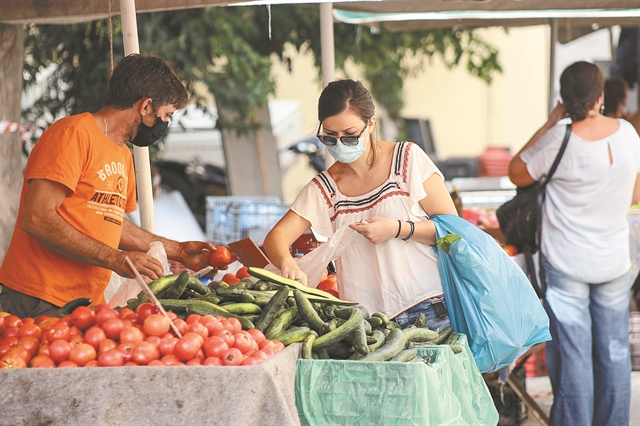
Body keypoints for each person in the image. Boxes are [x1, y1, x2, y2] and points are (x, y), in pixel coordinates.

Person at [0, 54, 217, 318]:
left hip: (87, 303)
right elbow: (36, 217)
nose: (166, 124)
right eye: (166, 115)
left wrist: (179, 250)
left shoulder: (122, 153)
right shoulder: (73, 134)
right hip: (39, 297)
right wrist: (115, 258)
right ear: (146, 106)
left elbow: (114, 222)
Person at [263, 79, 458, 330]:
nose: (340, 144)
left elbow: (452, 232)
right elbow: (276, 237)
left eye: (351, 136)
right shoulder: (325, 188)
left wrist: (397, 229)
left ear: (371, 124)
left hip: (430, 310)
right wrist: (287, 263)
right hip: (366, 324)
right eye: (330, 137)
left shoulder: (407, 159)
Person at [508, 61, 640, 426]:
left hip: (566, 262)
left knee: (575, 353)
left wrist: (552, 121)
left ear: (564, 100)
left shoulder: (559, 138)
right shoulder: (628, 134)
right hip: (614, 260)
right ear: (600, 96)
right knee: (614, 352)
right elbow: (635, 193)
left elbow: (515, 170)